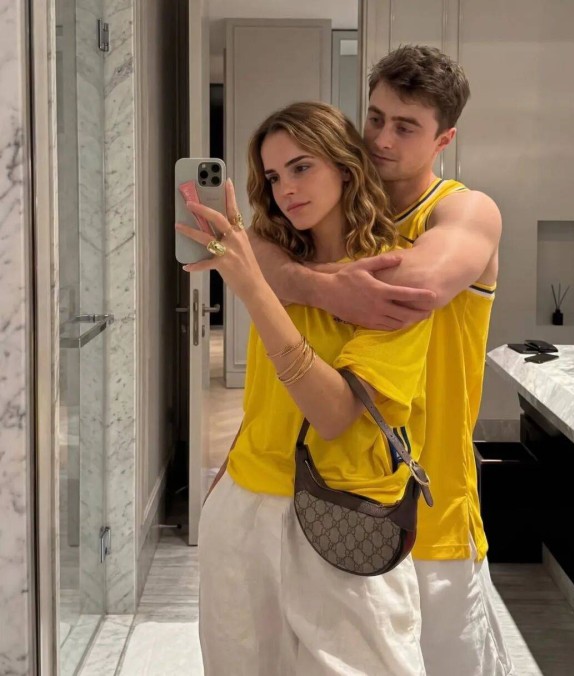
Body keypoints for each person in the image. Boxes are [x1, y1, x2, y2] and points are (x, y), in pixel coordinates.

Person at [249, 45, 514, 676]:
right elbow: (249, 246)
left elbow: (407, 292)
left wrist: (279, 276)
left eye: (406, 127)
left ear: (444, 138)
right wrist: (288, 274)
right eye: (374, 118)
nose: (381, 139)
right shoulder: (324, 221)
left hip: (432, 508)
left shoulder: (463, 210)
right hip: (338, 500)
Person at [176, 101, 434, 675]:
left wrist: (253, 289)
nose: (286, 189)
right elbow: (265, 398)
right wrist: (222, 492)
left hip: (346, 518)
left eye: (301, 167)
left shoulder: (393, 276)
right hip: (244, 508)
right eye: (273, 177)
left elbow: (335, 414)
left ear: (344, 165)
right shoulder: (279, 264)